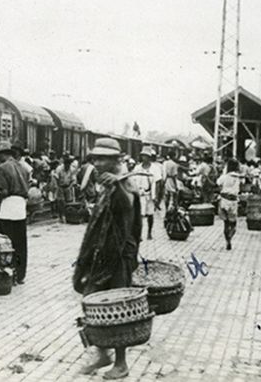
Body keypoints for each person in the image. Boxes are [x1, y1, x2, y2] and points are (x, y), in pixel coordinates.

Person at [73, 138, 141, 380]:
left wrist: (117, 187)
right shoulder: (106, 183)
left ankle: (121, 362)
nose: (98, 163)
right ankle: (101, 352)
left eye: (103, 158)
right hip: (101, 256)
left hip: (119, 257)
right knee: (92, 303)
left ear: (116, 160)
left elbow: (127, 207)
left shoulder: (126, 183)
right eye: (96, 158)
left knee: (117, 308)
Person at [0, 140, 31, 285]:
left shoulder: (2, 168)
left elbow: (4, 191)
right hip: (21, 206)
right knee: (20, 242)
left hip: (8, 206)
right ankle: (20, 275)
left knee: (6, 241)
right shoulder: (22, 167)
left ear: (2, 154)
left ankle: (8, 273)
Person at [131, 146, 157, 240]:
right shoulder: (137, 168)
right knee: (140, 215)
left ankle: (149, 232)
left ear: (149, 157)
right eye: (143, 156)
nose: (144, 158)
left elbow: (157, 182)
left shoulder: (154, 168)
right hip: (140, 193)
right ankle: (139, 234)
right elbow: (133, 180)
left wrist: (156, 196)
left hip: (149, 194)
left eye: (146, 156)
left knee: (150, 214)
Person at [217, 158, 242, 250]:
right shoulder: (238, 178)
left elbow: (218, 183)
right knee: (233, 224)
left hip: (223, 200)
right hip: (233, 201)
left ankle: (227, 240)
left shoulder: (224, 176)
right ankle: (230, 238)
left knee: (226, 223)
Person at [52, 154, 77, 223]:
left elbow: (73, 180)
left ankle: (68, 215)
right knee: (61, 202)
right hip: (60, 186)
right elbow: (56, 178)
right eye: (66, 165)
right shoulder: (59, 169)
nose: (67, 166)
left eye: (68, 165)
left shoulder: (72, 169)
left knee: (69, 202)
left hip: (68, 186)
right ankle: (61, 216)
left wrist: (70, 186)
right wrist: (57, 187)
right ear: (64, 164)